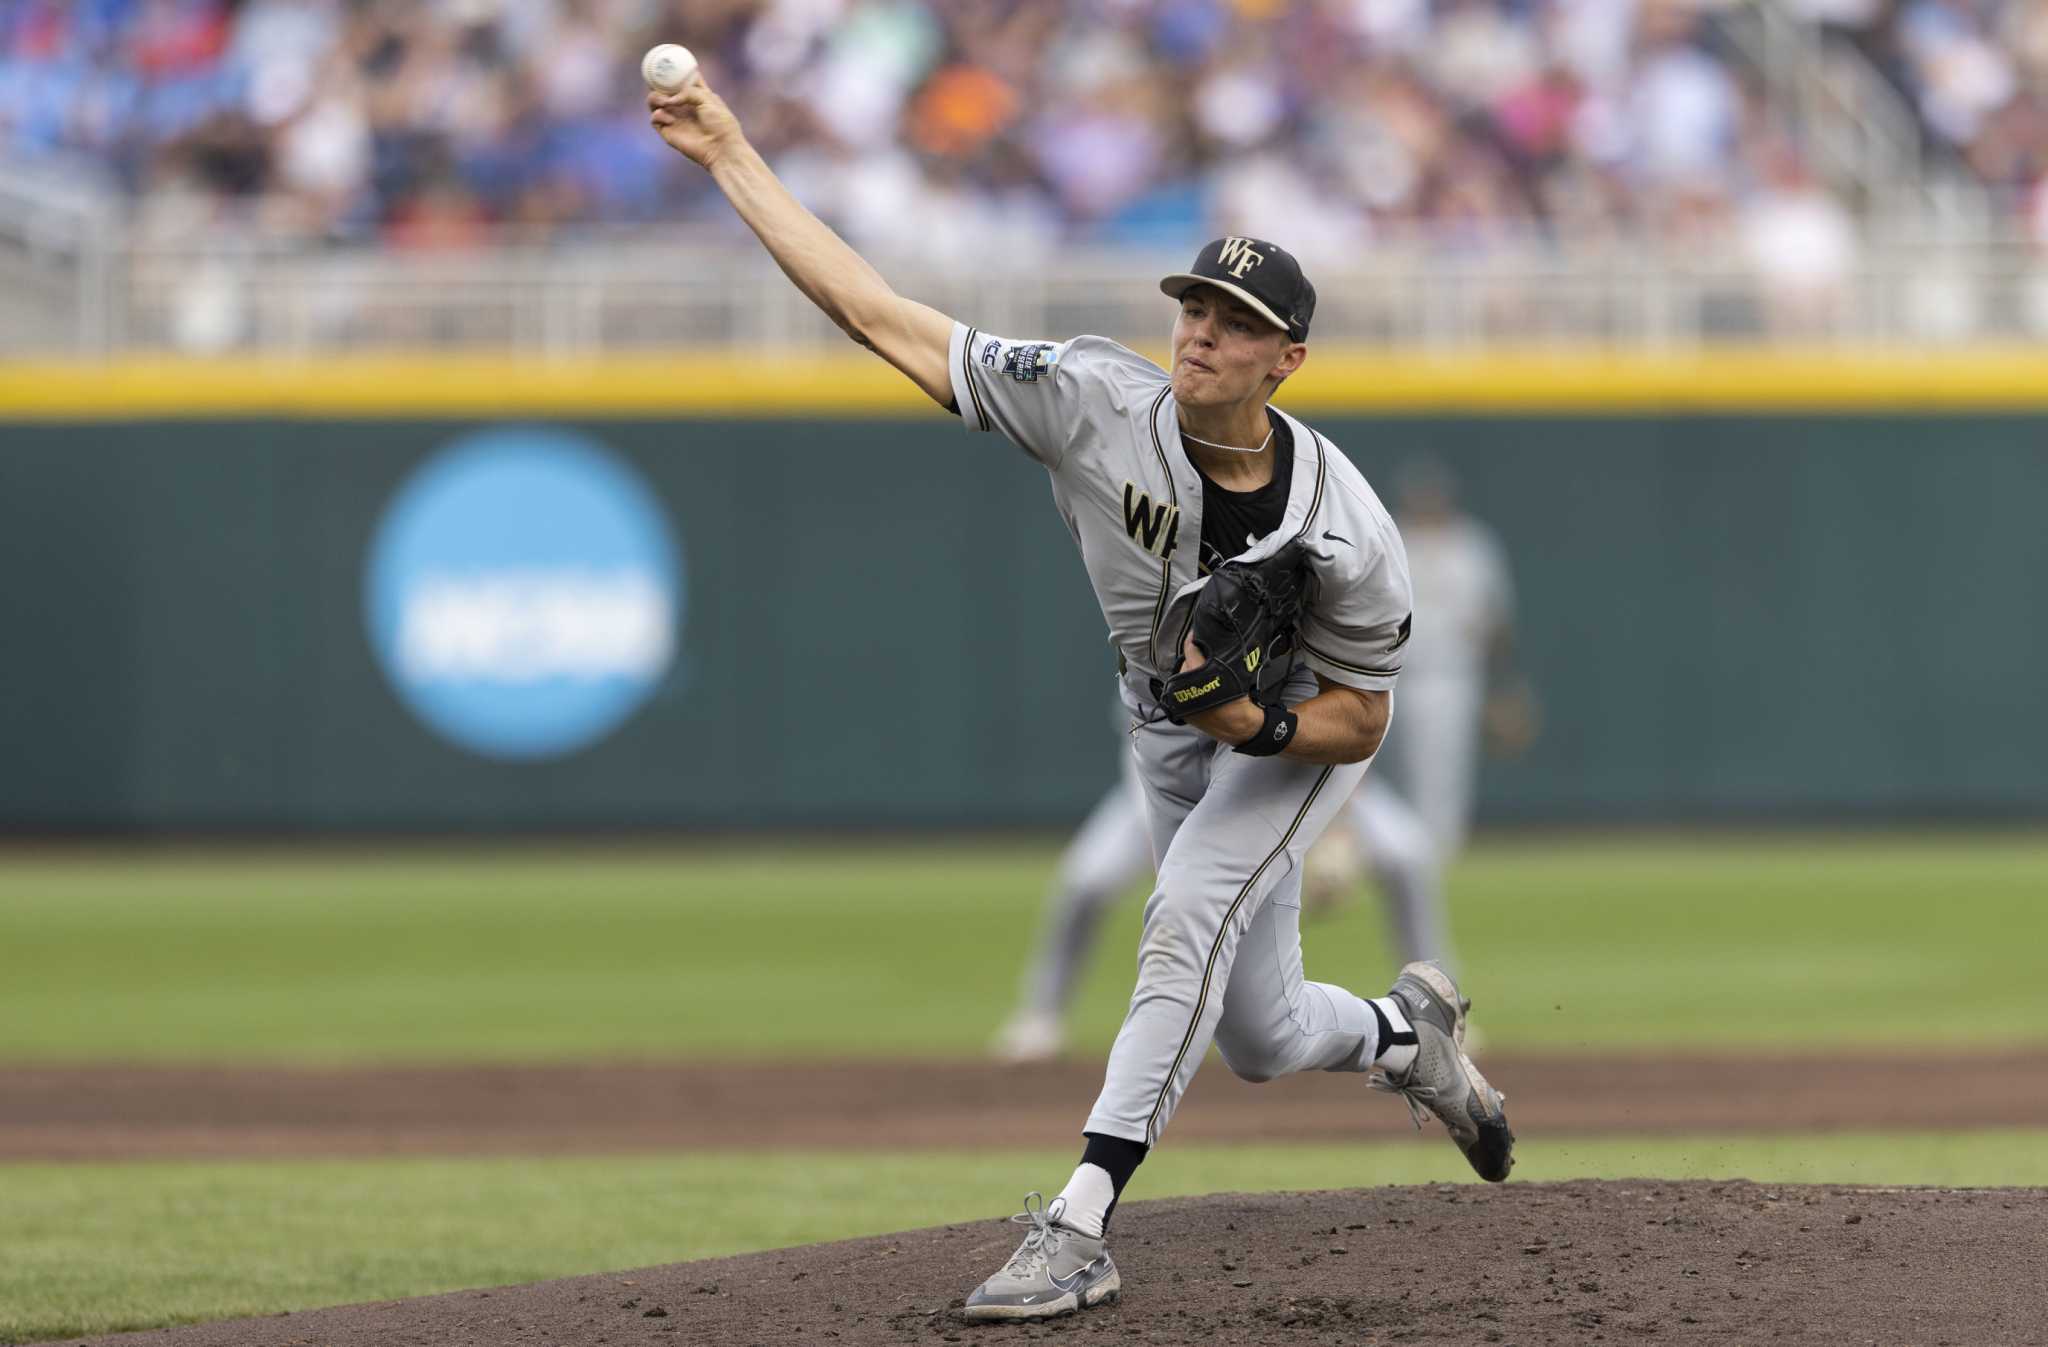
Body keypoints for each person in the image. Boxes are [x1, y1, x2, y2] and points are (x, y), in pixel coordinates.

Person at [648, 76, 1514, 1323]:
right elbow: (872, 312)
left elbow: (1360, 721)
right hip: (1161, 727)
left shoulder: (1348, 531)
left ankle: (1078, 1224)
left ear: (1288, 358)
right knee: (1260, 1038)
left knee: (1182, 915)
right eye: (1195, 303)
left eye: (1235, 318)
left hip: (1285, 744)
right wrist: (727, 152)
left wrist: (1260, 728)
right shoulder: (1091, 399)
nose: (1201, 329)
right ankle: (1404, 1038)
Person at [993, 717, 1451, 1065]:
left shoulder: (1287, 623)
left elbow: (1351, 727)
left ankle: (1440, 1007)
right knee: (1086, 882)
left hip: (1293, 784)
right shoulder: (1150, 641)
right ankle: (1042, 1015)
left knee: (1407, 858)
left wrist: (1340, 829)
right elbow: (1148, 765)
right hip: (1169, 795)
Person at [1384, 459, 1535, 859]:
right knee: (1393, 769)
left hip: (1453, 675)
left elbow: (1495, 619)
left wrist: (1505, 684)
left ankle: (1438, 852)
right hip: (1391, 673)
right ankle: (1402, 847)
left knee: (1444, 770)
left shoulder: (1473, 546)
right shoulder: (1393, 538)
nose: (1427, 502)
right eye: (1420, 495)